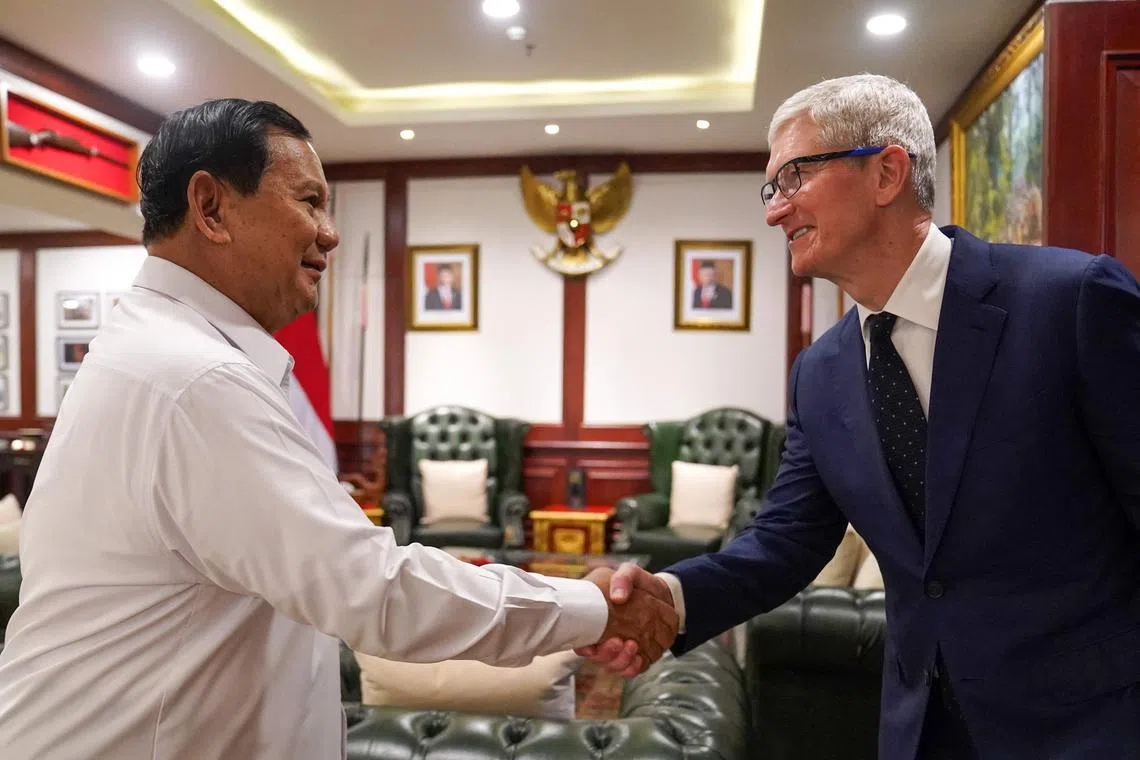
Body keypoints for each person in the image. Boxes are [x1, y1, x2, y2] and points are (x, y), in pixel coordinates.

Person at [0, 99, 677, 759]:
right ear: (210, 208)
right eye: (309, 201)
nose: (330, 232)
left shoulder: (155, 351)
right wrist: (591, 608)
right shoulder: (195, 380)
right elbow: (375, 590)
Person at [583, 74, 1140, 759]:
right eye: (771, 189)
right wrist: (670, 597)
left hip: (1092, 729)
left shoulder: (1070, 301)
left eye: (793, 178)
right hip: (921, 729)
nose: (774, 212)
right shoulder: (820, 372)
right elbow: (786, 542)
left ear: (886, 171)